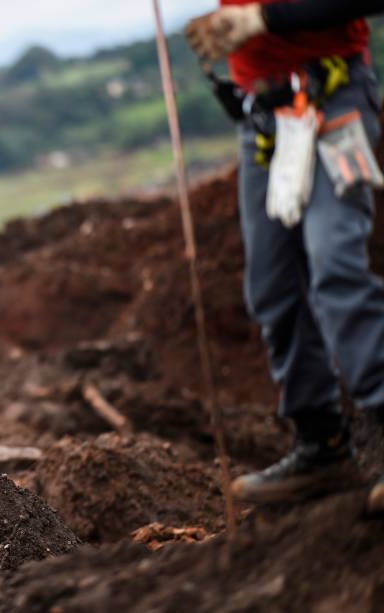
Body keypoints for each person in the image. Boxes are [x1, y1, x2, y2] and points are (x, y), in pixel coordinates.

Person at [184, 1, 384, 510]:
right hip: (267, 115)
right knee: (273, 286)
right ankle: (323, 443)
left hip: (333, 95)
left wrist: (262, 20)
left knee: (334, 261)